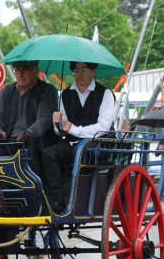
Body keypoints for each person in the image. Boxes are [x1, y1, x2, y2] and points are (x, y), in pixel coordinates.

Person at [43, 61, 115, 214]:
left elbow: (103, 127)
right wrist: (57, 124)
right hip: (73, 144)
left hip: (99, 144)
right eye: (76, 70)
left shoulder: (106, 93)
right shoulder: (65, 94)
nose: (79, 74)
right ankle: (58, 200)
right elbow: (63, 129)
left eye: (84, 70)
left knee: (81, 152)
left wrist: (75, 129)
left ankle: (79, 201)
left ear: (94, 70)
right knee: (48, 154)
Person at [0, 61, 58, 177]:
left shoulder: (47, 90)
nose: (20, 74)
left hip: (35, 145)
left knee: (28, 156)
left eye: (25, 69)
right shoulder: (6, 92)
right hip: (9, 144)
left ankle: (37, 193)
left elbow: (45, 119)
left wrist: (28, 133)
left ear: (36, 71)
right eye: (17, 69)